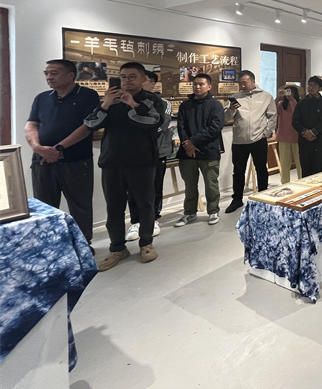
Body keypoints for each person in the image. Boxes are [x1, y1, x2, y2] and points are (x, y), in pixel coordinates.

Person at [85, 62, 163, 271]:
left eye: (132, 76)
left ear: (143, 79)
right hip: (112, 162)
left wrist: (133, 105)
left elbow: (154, 122)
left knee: (145, 205)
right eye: (123, 77)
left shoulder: (151, 100)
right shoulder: (110, 100)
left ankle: (146, 243)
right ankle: (117, 248)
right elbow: (90, 124)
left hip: (142, 162)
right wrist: (105, 104)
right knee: (114, 207)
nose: (126, 81)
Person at [25, 59, 99, 247]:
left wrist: (58, 148)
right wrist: (38, 148)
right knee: (44, 207)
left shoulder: (88, 95)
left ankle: (83, 246)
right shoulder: (41, 98)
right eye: (46, 73)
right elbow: (31, 125)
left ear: (71, 75)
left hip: (76, 161)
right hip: (42, 160)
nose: (49, 77)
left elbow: (87, 127)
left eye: (54, 73)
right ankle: (49, 247)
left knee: (80, 206)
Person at [125, 70, 173, 242]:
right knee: (132, 189)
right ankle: (136, 221)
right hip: (131, 153)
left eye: (141, 80)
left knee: (154, 187)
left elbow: (160, 125)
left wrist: (140, 132)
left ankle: (153, 219)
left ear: (151, 84)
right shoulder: (126, 101)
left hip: (156, 151)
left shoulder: (163, 103)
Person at [173, 73, 224, 227]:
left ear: (209, 86)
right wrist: (187, 144)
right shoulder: (185, 105)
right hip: (187, 153)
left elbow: (215, 127)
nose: (197, 87)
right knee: (190, 186)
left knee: (211, 184)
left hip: (209, 152)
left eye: (201, 84)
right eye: (195, 84)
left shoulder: (216, 105)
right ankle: (189, 213)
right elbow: (181, 127)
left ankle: (213, 211)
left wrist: (193, 142)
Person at [224, 70, 277, 214]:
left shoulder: (265, 96)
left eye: (245, 83)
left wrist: (267, 133)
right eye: (240, 83)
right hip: (239, 140)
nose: (242, 86)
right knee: (238, 171)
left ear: (253, 82)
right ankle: (237, 199)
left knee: (261, 169)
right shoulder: (235, 97)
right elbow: (225, 117)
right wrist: (231, 109)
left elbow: (272, 117)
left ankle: (263, 196)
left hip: (258, 139)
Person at [292, 76, 322, 176]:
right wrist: (304, 132)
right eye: (309, 85)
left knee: (317, 170)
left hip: (318, 140)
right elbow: (295, 121)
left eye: (314, 85)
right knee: (305, 169)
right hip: (304, 140)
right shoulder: (301, 103)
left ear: (319, 88)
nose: (311, 88)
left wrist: (313, 132)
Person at [276, 85, 302, 184]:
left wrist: (291, 99)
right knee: (284, 163)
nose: (288, 93)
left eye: (290, 91)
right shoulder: (280, 104)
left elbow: (295, 112)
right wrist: (278, 97)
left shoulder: (299, 103)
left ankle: (302, 182)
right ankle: (284, 183)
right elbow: (273, 112)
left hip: (298, 137)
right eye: (286, 91)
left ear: (295, 93)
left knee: (300, 163)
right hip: (283, 137)